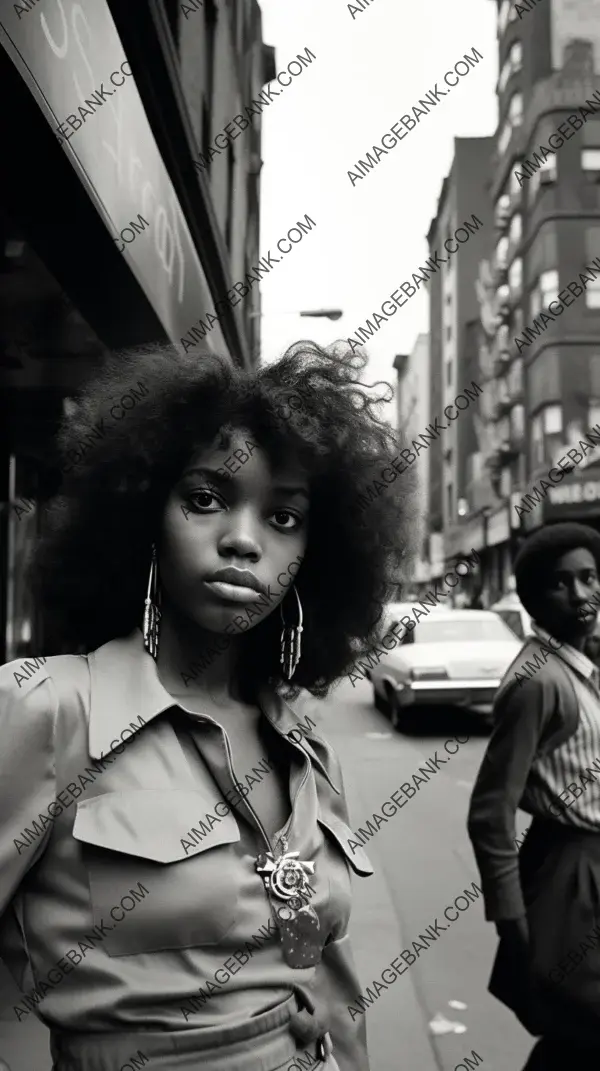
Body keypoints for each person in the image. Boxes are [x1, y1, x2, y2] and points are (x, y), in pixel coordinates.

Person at [0, 340, 415, 1071]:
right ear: (141, 516)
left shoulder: (303, 745)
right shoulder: (49, 707)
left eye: (284, 517)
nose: (244, 541)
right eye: (205, 498)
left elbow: (329, 979)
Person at [467, 521, 600, 1069]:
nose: (581, 594)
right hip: (569, 873)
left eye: (589, 578)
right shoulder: (538, 681)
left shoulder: (580, 664)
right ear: (532, 600)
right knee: (580, 1026)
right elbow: (489, 812)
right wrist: (511, 917)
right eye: (560, 584)